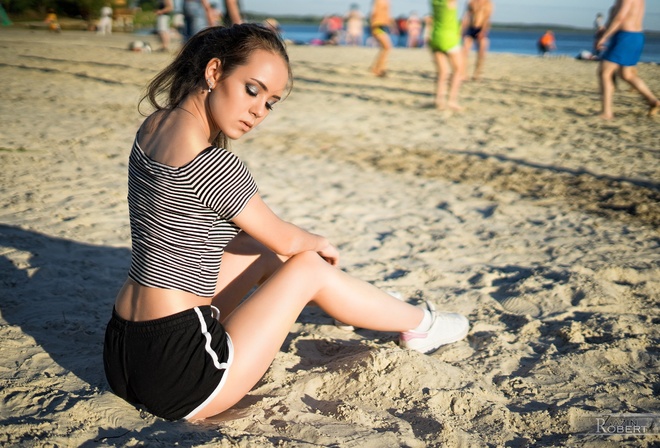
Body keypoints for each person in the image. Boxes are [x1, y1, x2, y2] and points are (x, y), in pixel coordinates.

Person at [102, 23, 470, 422]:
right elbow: (288, 240)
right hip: (184, 376)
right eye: (252, 89)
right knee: (310, 265)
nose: (258, 111)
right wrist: (322, 243)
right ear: (213, 72)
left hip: (121, 353)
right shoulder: (212, 163)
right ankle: (421, 325)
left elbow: (241, 237)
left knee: (256, 251)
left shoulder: (152, 127)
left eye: (270, 102)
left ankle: (354, 303)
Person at [596, 0, 659, 119]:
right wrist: (605, 30)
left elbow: (620, 17)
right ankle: (653, 101)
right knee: (626, 74)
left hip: (625, 36)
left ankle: (606, 112)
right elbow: (618, 14)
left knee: (604, 72)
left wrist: (604, 37)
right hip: (637, 36)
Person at [429, 0, 464, 111]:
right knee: (458, 70)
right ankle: (451, 100)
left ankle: (439, 100)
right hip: (449, 38)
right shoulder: (450, 2)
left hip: (436, 36)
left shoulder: (434, 2)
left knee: (442, 72)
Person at [461, 0, 493, 80]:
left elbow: (487, 18)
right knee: (464, 51)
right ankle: (464, 73)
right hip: (470, 28)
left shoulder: (488, 3)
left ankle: (477, 74)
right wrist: (462, 30)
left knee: (481, 52)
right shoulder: (471, 2)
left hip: (481, 28)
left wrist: (483, 31)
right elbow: (466, 16)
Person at [369, 0, 393, 77]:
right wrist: (373, 27)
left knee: (385, 48)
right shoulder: (379, 1)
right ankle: (378, 69)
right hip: (378, 26)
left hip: (382, 26)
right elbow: (373, 13)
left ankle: (378, 68)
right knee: (387, 47)